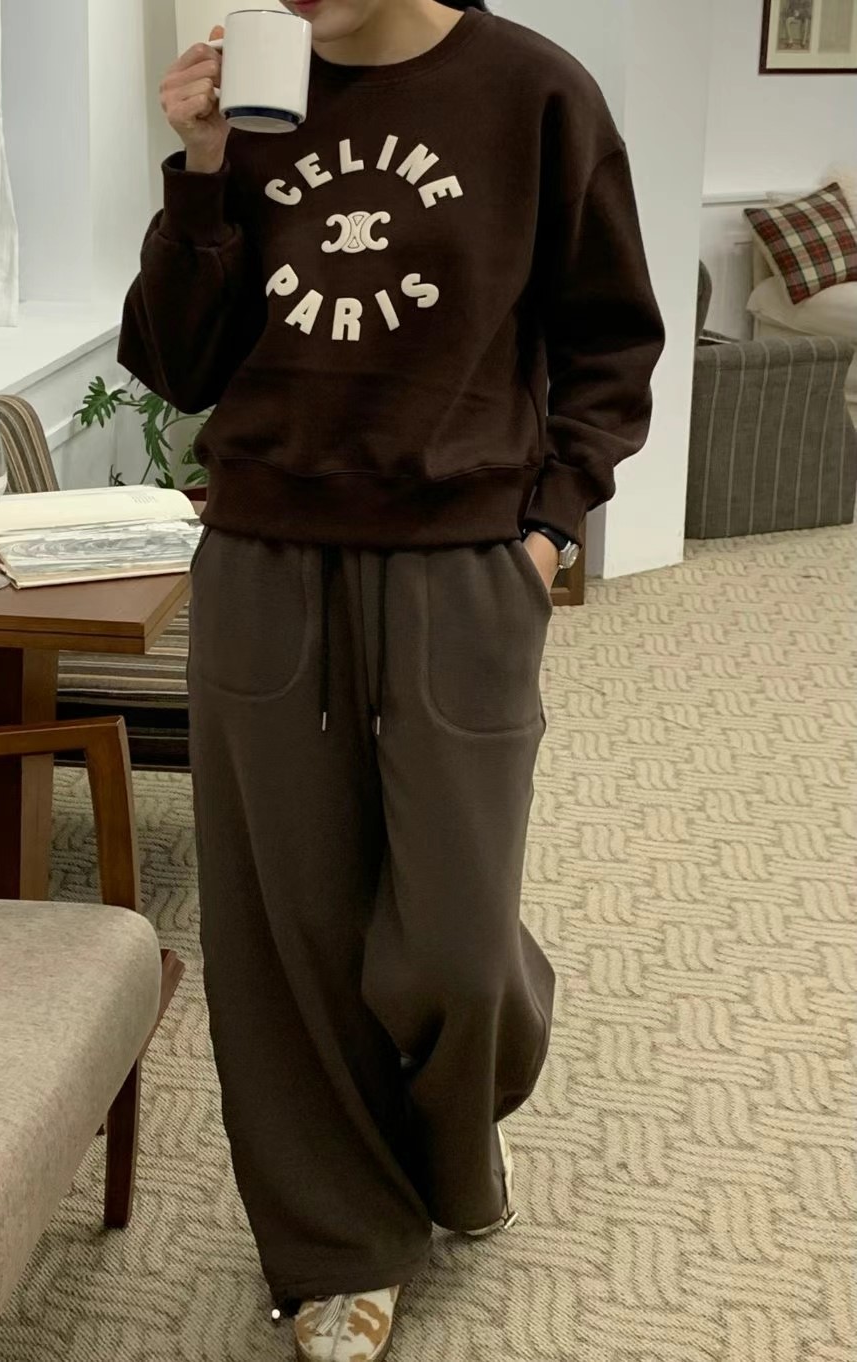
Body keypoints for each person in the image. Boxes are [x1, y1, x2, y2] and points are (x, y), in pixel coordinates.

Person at [120, 2, 665, 1358]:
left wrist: (546, 529)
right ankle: (342, 1246)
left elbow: (610, 342)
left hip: (461, 564)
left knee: (457, 950)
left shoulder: (533, 92)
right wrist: (200, 166)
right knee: (286, 931)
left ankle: (453, 1143)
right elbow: (177, 365)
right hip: (265, 560)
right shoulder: (254, 102)